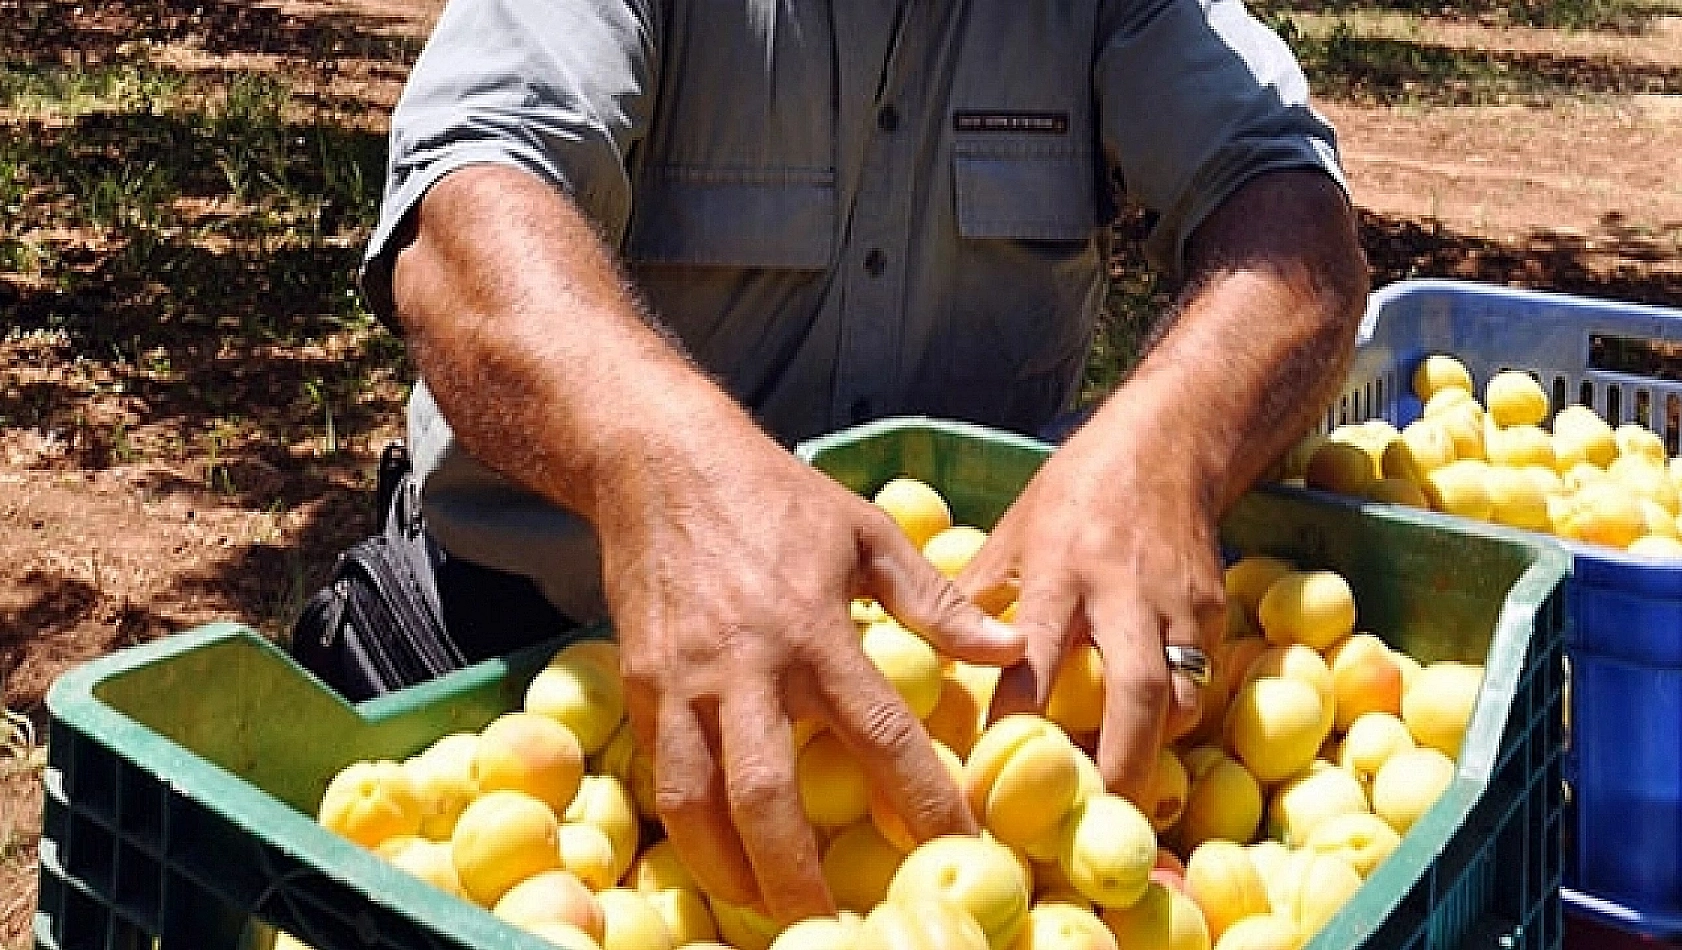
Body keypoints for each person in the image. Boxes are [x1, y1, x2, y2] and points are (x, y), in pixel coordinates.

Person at [360, 0, 1368, 925]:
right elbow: (466, 205)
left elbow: (1287, 209)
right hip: (531, 659)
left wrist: (1169, 441)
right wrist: (657, 471)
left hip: (953, 709)